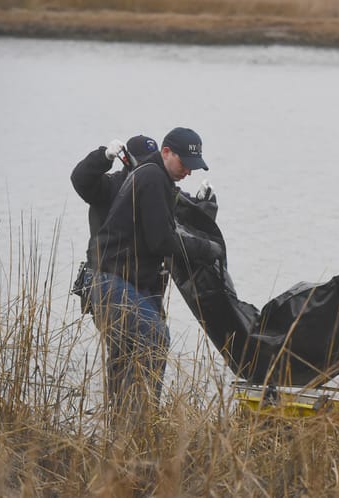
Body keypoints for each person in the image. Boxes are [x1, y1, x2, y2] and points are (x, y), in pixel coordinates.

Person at [88, 127, 223, 430]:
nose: (188, 170)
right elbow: (162, 240)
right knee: (155, 337)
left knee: (126, 357)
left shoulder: (158, 179)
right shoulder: (152, 178)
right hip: (112, 282)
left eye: (194, 165)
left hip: (117, 283)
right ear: (166, 152)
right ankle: (141, 426)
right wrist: (207, 248)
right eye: (184, 162)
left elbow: (173, 223)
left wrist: (203, 210)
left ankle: (124, 434)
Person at [71, 135, 160, 314]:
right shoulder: (108, 187)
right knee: (140, 341)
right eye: (143, 162)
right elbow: (80, 179)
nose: (149, 167)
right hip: (109, 284)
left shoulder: (157, 189)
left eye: (153, 163)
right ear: (126, 159)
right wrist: (103, 157)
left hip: (146, 288)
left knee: (155, 341)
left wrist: (200, 203)